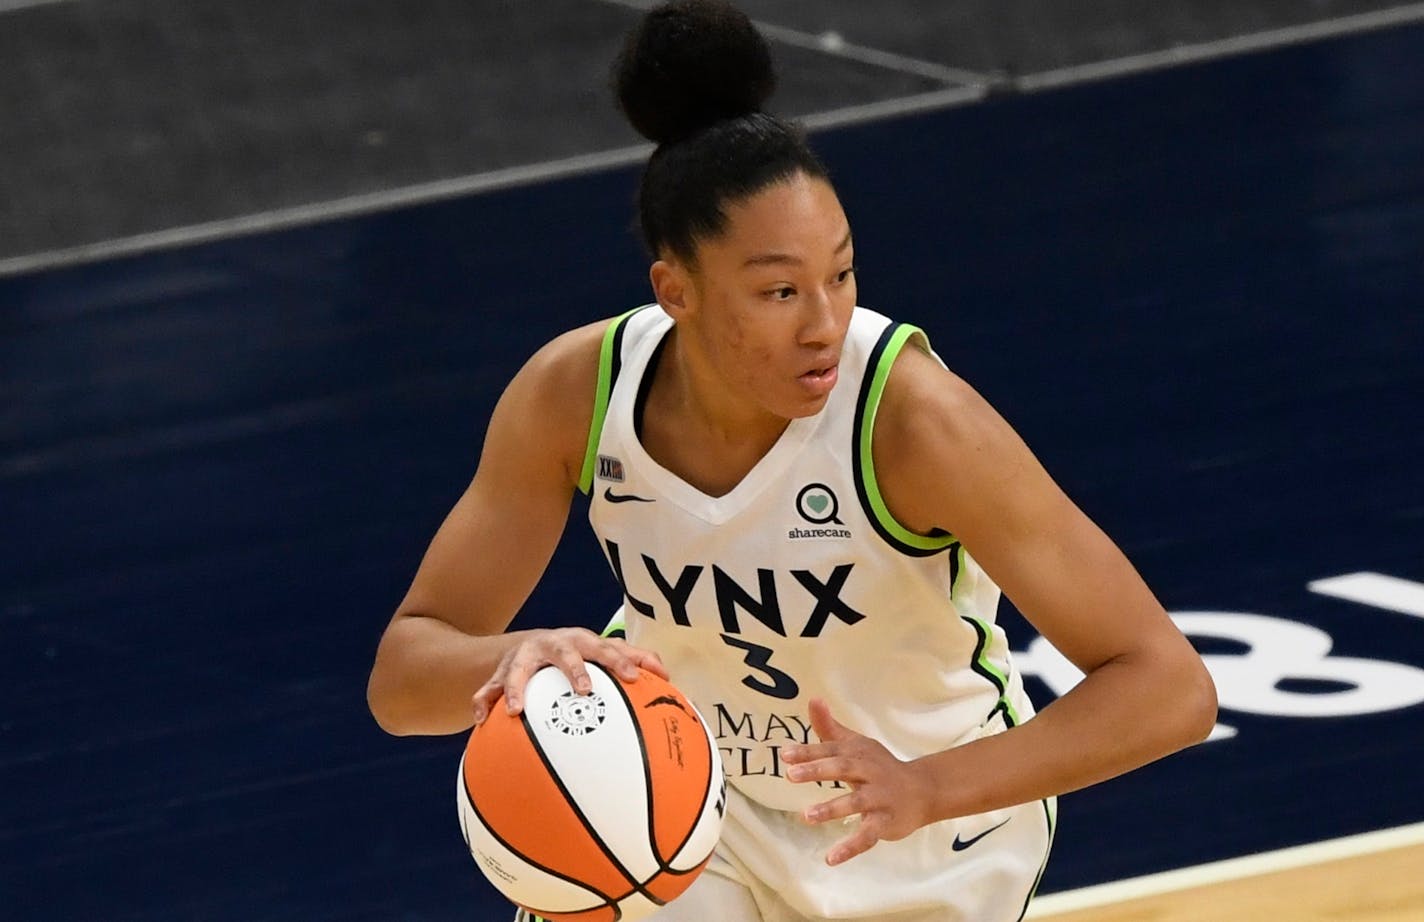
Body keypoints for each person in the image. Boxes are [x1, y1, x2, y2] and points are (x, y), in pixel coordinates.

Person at [367, 2, 1218, 919]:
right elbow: (403, 681)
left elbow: (1168, 687)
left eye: (841, 275)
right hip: (688, 801)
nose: (823, 322)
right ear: (675, 289)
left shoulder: (914, 423)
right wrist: (513, 657)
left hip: (919, 827)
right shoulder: (574, 394)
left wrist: (927, 787)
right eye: (779, 290)